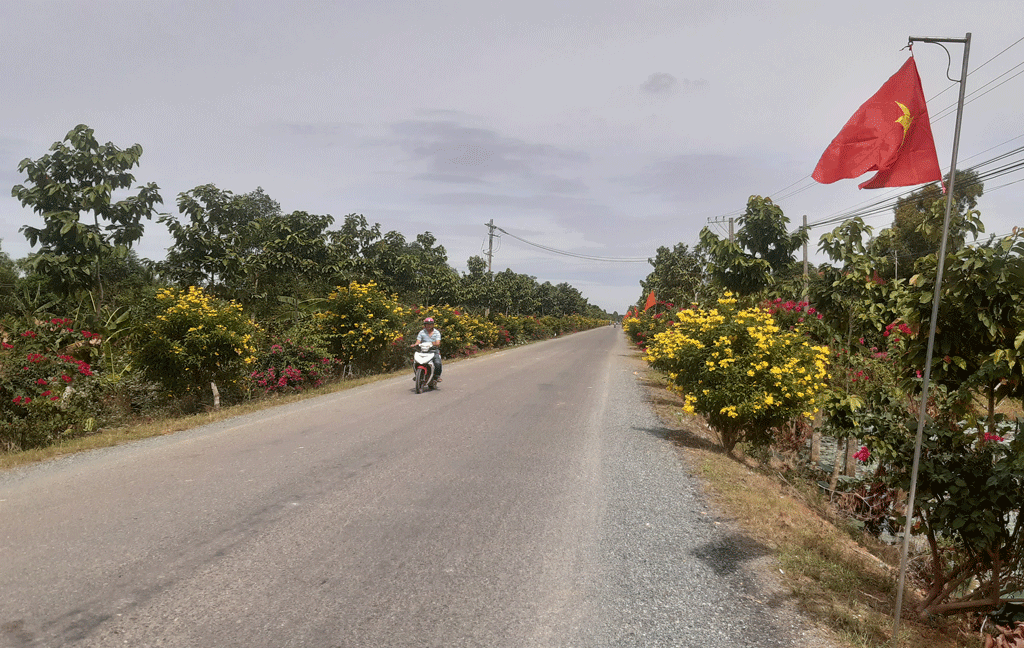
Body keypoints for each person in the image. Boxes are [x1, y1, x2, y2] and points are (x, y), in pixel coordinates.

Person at [411, 316, 442, 382]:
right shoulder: (421, 332)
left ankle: (437, 376)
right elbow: (418, 342)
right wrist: (414, 345)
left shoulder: (437, 333)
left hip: (433, 351)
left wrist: (432, 344)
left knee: (437, 363)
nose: (429, 326)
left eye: (430, 324)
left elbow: (438, 343)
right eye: (427, 324)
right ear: (425, 325)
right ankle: (417, 375)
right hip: (423, 351)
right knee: (415, 362)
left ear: (433, 325)